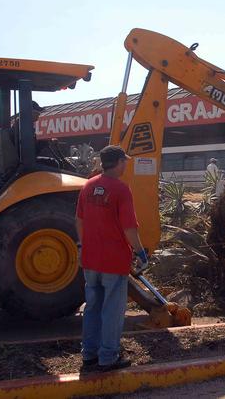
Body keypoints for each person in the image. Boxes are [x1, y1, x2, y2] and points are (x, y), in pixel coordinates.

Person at [75, 145, 148, 372]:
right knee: (112, 312)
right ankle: (108, 357)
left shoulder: (88, 186)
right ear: (117, 163)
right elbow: (129, 228)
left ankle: (89, 355)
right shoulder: (121, 189)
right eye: (124, 161)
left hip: (90, 260)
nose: (126, 164)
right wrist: (140, 252)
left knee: (92, 308)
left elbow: (79, 220)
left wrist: (81, 246)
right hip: (113, 260)